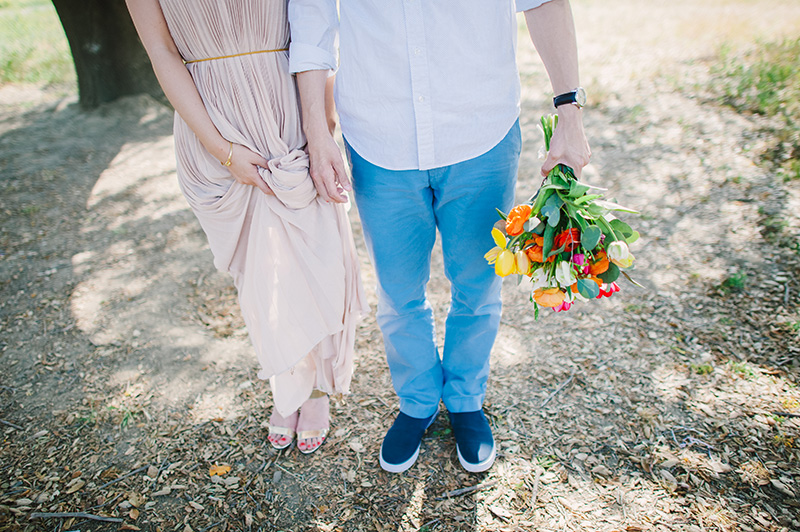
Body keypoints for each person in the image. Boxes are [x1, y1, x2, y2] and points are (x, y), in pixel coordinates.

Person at [289, 0, 591, 472]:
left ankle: (466, 399)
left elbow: (544, 2)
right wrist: (315, 130)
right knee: (398, 292)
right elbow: (311, 22)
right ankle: (417, 402)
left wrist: (570, 113)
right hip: (376, 138)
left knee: (478, 285)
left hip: (481, 131)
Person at [126, 0, 368, 454]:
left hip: (290, 110)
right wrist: (221, 148)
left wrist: (322, 123)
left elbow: (312, 26)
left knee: (313, 255)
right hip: (213, 123)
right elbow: (161, 52)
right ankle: (288, 382)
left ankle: (313, 390)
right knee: (262, 273)